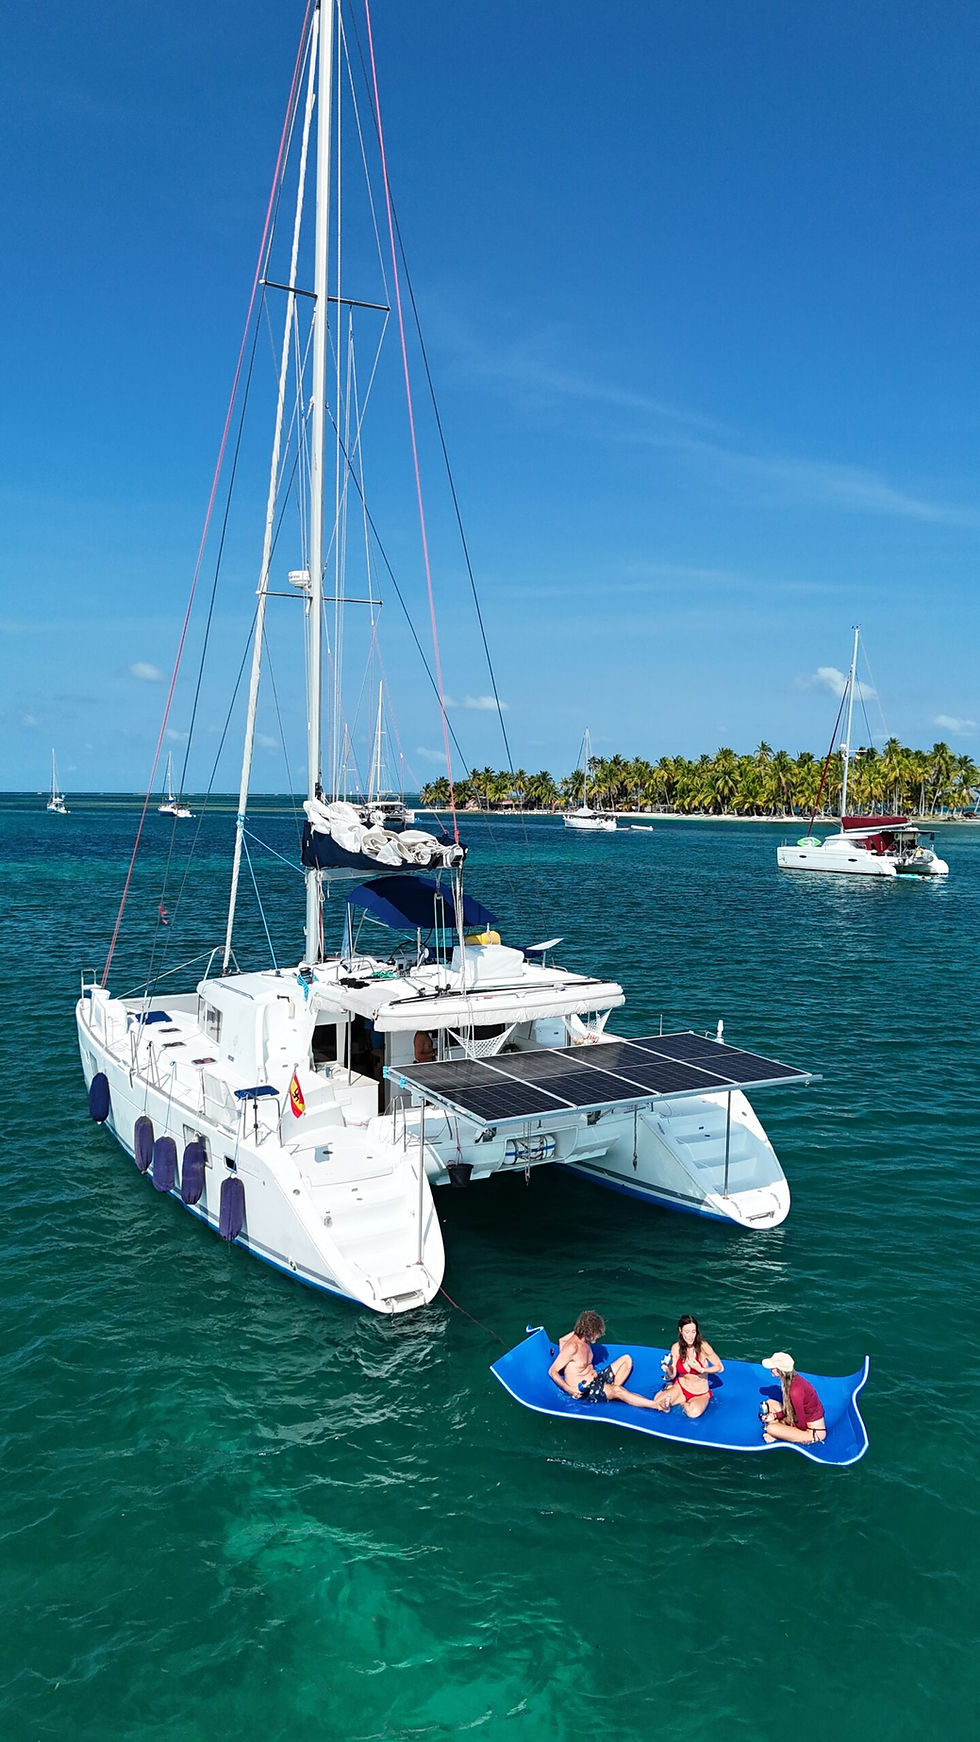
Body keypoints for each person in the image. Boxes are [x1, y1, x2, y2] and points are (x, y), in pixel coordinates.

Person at [548, 1310, 658, 1409]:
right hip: (586, 1392)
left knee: (626, 1359)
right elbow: (552, 1371)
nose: (597, 1336)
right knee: (618, 1391)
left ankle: (614, 1392)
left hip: (597, 1380)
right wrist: (570, 1390)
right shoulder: (572, 1347)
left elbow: (561, 1340)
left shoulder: (583, 1339)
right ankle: (655, 1405)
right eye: (595, 1333)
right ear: (588, 1331)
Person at [652, 1314, 724, 1419]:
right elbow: (672, 1375)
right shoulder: (676, 1348)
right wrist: (668, 1369)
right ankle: (673, 1391)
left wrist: (702, 1369)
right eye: (687, 1332)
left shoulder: (703, 1347)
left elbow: (720, 1367)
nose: (690, 1336)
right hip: (681, 1387)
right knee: (657, 1402)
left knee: (693, 1414)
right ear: (680, 1330)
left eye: (693, 1332)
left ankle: (681, 1402)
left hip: (700, 1393)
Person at [759, 1352, 827, 1444]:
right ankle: (777, 1427)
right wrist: (775, 1416)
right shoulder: (792, 1380)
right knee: (770, 1403)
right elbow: (792, 1410)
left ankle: (775, 1433)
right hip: (801, 1420)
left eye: (772, 1368)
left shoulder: (795, 1392)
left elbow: (802, 1425)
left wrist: (779, 1429)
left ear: (780, 1370)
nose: (770, 1369)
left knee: (771, 1428)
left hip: (813, 1432)